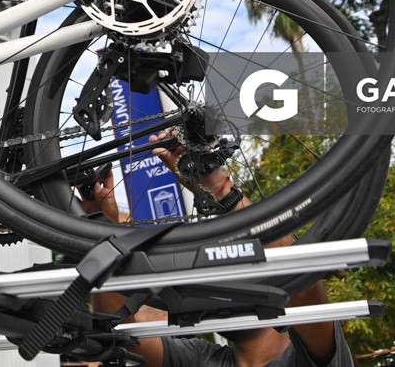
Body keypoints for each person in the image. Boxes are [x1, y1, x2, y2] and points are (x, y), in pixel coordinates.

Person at [78, 140, 353, 367]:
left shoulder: (312, 359)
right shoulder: (200, 358)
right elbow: (121, 331)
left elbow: (299, 277)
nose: (224, 284)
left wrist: (221, 188)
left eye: (237, 270)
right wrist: (106, 229)